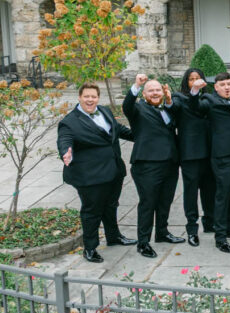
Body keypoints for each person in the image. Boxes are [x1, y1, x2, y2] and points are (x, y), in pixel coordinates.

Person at [58, 82, 136, 263]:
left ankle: (113, 236)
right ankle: (90, 248)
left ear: (98, 98)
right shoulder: (69, 122)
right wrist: (65, 151)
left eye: (93, 96)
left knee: (111, 205)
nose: (90, 100)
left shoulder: (105, 111)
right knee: (92, 211)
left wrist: (141, 136)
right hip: (89, 175)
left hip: (113, 170)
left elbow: (118, 130)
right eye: (86, 96)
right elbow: (65, 139)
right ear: (79, 97)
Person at [189, 66, 230, 254]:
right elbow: (195, 108)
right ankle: (220, 237)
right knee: (223, 197)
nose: (227, 87)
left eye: (229, 84)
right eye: (223, 85)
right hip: (222, 157)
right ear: (215, 87)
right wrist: (194, 91)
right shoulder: (209, 100)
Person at [123, 73, 188, 258]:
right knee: (148, 203)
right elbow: (126, 106)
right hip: (147, 165)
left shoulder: (167, 108)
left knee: (165, 201)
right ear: (144, 94)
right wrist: (136, 85)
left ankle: (162, 232)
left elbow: (176, 115)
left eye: (158, 90)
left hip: (170, 163)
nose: (155, 93)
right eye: (150, 90)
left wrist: (168, 101)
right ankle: (143, 243)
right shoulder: (137, 109)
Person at [172, 68, 217, 246]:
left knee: (209, 190)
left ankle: (210, 222)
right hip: (190, 154)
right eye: (191, 79)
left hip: (209, 152)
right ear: (186, 82)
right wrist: (193, 93)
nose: (195, 81)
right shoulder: (179, 98)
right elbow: (184, 106)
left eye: (198, 78)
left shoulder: (208, 99)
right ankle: (192, 228)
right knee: (191, 193)